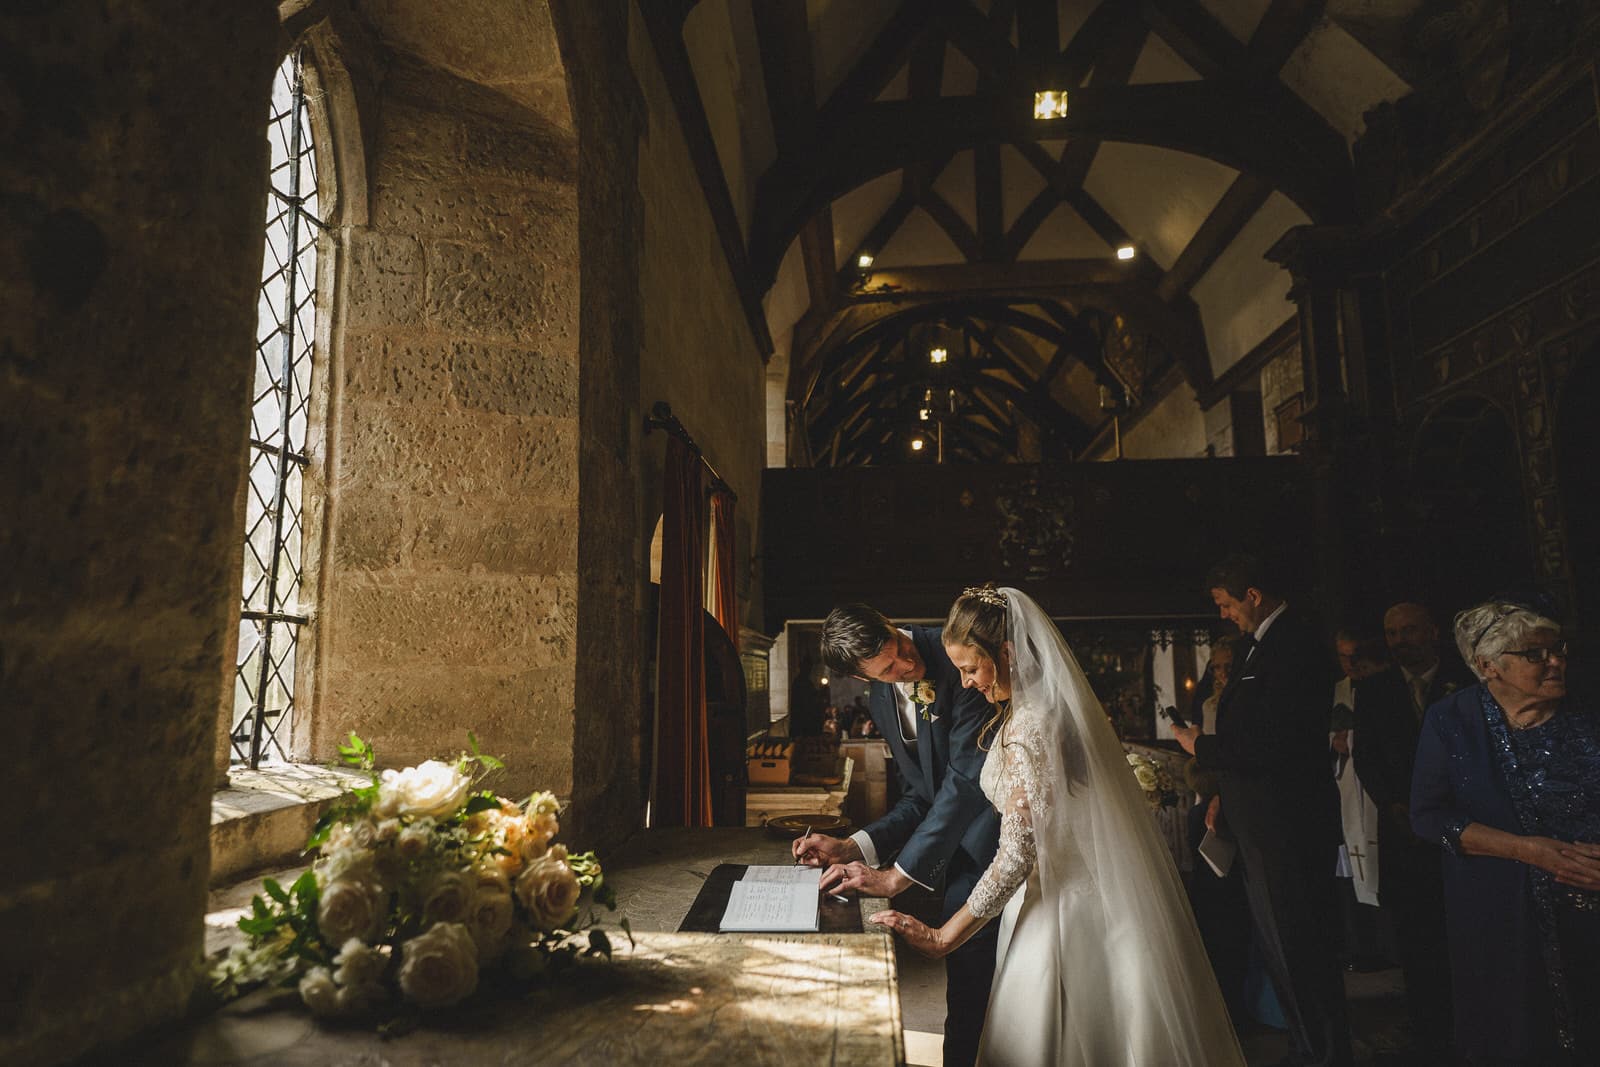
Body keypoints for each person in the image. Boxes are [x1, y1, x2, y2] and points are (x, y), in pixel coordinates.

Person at [868, 586, 1245, 1065]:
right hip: (1074, 892)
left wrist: (946, 935)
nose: (965, 683)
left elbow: (1016, 856)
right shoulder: (1037, 712)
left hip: (1064, 912)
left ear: (1005, 653)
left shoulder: (1028, 726)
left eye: (970, 668)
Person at [793, 602, 1000, 1067]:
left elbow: (965, 784)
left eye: (901, 647)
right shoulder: (882, 698)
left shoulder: (957, 657)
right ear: (865, 678)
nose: (906, 664)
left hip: (996, 844)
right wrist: (853, 845)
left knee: (977, 982)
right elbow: (919, 794)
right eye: (888, 668)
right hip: (957, 849)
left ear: (891, 623)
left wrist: (895, 878)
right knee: (967, 989)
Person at [1173, 553, 1351, 1067]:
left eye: (1227, 604)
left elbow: (1277, 741)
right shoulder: (1262, 644)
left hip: (1286, 827)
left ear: (1252, 594)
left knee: (1303, 950)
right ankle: (1306, 1048)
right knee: (1283, 950)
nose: (1224, 614)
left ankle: (1322, 1054)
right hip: (1261, 821)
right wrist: (1226, 792)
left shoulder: (1292, 642)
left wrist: (1200, 749)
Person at [1411, 598, 1600, 1064]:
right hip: (1503, 917)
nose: (1554, 661)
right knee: (1518, 1034)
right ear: (1487, 665)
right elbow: (1428, 815)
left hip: (1591, 910)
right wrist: (1525, 850)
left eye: (1557, 649)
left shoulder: (1588, 710)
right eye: (1535, 654)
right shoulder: (1451, 721)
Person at [1351, 602, 1473, 1058]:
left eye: (1410, 631)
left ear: (1432, 631)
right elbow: (1366, 754)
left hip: (1464, 827)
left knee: (1465, 932)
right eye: (1393, 633)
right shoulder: (1376, 689)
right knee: (1417, 937)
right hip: (1405, 831)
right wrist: (1393, 802)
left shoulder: (1464, 682)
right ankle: (1426, 1030)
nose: (1401, 641)